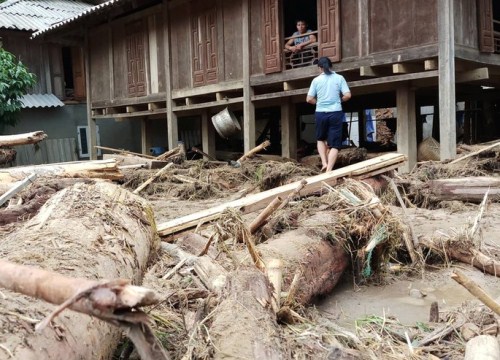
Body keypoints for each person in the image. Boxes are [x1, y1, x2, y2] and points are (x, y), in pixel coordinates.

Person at [306, 57, 351, 172]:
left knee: (320, 139)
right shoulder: (339, 78)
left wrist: (319, 103)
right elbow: (347, 95)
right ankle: (329, 170)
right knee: (335, 144)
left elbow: (309, 99)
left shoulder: (316, 80)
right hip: (335, 112)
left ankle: (324, 163)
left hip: (320, 113)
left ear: (320, 68)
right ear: (331, 66)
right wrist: (339, 100)